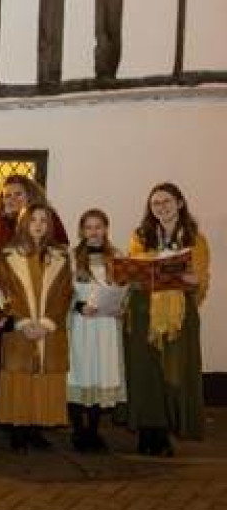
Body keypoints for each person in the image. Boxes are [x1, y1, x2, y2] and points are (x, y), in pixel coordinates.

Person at [125, 183, 210, 456]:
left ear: (180, 203)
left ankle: (164, 433)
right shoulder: (141, 236)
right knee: (145, 373)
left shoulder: (195, 239)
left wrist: (191, 279)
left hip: (179, 315)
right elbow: (135, 271)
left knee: (173, 374)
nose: (160, 207)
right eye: (155, 204)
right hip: (143, 312)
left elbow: (201, 278)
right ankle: (147, 432)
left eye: (166, 202)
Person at [0, 204, 73, 452]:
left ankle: (37, 430)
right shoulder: (7, 254)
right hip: (20, 328)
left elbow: (65, 292)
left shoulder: (61, 255)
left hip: (50, 328)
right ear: (23, 223)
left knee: (43, 376)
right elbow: (4, 289)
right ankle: (18, 431)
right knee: (19, 376)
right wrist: (22, 321)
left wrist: (48, 322)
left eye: (44, 220)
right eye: (33, 220)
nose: (38, 225)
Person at [67, 209, 127, 453]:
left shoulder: (118, 258)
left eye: (98, 226)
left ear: (106, 229)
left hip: (105, 326)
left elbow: (126, 290)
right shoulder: (72, 258)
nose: (93, 231)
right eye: (89, 227)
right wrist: (79, 306)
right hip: (81, 324)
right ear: (82, 231)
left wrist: (120, 306)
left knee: (99, 373)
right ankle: (78, 431)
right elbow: (62, 292)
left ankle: (93, 431)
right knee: (80, 373)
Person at [0, 175, 68, 253]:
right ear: (2, 200)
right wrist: (5, 222)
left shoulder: (48, 215)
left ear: (30, 195)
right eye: (8, 196)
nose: (13, 199)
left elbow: (63, 246)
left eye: (18, 194)